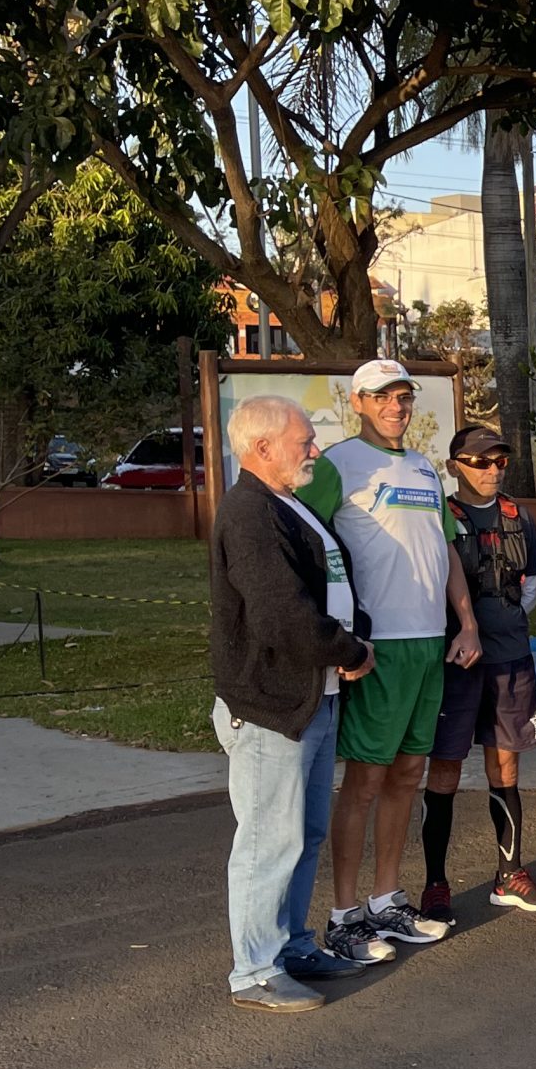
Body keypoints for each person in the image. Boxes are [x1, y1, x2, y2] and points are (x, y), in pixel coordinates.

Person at [299, 357, 479, 961]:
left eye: (402, 396)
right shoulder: (337, 464)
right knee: (366, 780)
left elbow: (446, 551)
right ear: (358, 403)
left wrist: (466, 623)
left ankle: (385, 901)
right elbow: (303, 540)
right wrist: (334, 634)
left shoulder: (424, 467)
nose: (395, 407)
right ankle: (344, 915)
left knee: (407, 774)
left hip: (431, 643)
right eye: (381, 397)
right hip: (378, 648)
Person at [209, 396, 377, 1010]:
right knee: (267, 841)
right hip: (270, 707)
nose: (314, 450)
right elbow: (281, 613)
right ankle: (254, 971)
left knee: (302, 835)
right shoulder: (250, 513)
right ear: (262, 448)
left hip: (312, 698)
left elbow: (329, 584)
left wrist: (351, 642)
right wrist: (349, 649)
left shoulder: (286, 503)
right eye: (304, 440)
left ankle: (291, 947)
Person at [419, 425, 536, 917]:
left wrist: (503, 624)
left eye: (499, 461)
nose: (492, 470)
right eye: (480, 461)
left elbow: (530, 588)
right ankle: (435, 884)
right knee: (445, 767)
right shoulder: (440, 517)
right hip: (456, 663)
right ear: (455, 466)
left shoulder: (519, 516)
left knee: (506, 765)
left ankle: (509, 873)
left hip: (510, 657)